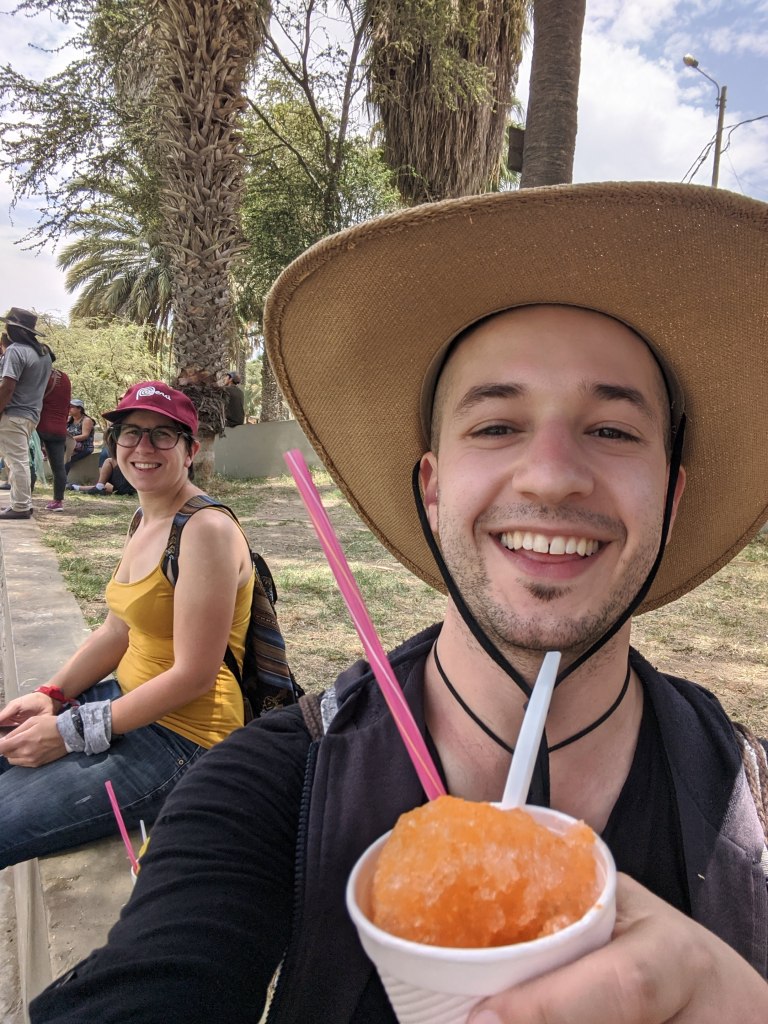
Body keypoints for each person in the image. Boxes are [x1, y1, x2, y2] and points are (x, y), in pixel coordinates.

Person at [29, 183, 768, 1024]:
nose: (554, 474)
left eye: (612, 430)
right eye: (495, 427)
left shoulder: (756, 803)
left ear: (670, 500)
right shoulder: (270, 787)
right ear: (432, 488)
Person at [0, 380, 255, 870]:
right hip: (126, 704)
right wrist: (51, 696)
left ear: (190, 451)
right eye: (131, 432)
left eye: (163, 435)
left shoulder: (205, 531)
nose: (143, 447)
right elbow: (117, 631)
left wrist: (69, 731)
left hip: (182, 741)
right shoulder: (145, 516)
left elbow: (195, 676)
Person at [0, 307, 53, 520]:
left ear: (14, 329)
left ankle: (20, 506)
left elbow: (7, 387)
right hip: (31, 414)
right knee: (17, 459)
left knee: (16, 460)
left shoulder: (16, 351)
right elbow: (49, 384)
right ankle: (22, 503)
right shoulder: (44, 353)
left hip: (13, 413)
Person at [36, 365, 72, 511]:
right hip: (59, 429)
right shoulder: (65, 377)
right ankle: (58, 501)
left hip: (40, 426)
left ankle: (24, 499)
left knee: (28, 461)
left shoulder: (40, 374)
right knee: (58, 468)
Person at [66, 453, 136, 496]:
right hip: (133, 487)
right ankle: (74, 487)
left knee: (109, 461)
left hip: (130, 483)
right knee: (106, 487)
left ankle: (99, 486)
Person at [64, 398, 95, 472]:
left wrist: (68, 440)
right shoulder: (69, 420)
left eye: (72, 407)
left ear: (79, 409)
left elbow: (85, 436)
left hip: (85, 447)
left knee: (65, 459)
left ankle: (63, 481)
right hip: (71, 446)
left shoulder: (86, 420)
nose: (69, 409)